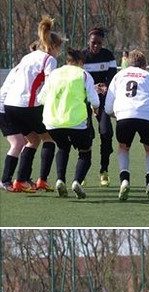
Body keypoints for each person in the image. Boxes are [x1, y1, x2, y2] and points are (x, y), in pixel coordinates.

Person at [4, 16, 63, 193]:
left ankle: (20, 181)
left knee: (33, 139)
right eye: (59, 48)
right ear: (53, 46)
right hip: (27, 105)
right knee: (49, 138)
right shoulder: (49, 59)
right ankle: (41, 180)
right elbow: (50, 84)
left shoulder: (27, 57)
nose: (59, 52)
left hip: (10, 105)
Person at [37, 48, 100, 199]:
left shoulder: (54, 74)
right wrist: (94, 107)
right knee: (85, 152)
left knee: (63, 147)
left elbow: (41, 98)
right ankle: (76, 181)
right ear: (80, 62)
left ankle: (60, 180)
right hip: (76, 121)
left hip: (53, 122)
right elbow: (95, 100)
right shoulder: (83, 74)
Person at [104, 49, 149, 201]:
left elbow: (108, 107)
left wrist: (118, 114)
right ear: (145, 65)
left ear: (128, 63)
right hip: (148, 115)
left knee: (123, 148)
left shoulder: (119, 75)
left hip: (125, 115)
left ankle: (124, 180)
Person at [82, 27, 117, 187]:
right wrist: (92, 88)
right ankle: (81, 173)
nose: (96, 46)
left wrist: (105, 86)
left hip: (102, 100)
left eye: (99, 43)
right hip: (85, 100)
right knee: (86, 136)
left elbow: (113, 77)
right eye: (93, 42)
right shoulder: (82, 56)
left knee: (106, 133)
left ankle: (104, 170)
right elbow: (78, 79)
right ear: (88, 41)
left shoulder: (108, 55)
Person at [0, 64, 26, 192]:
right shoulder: (25, 69)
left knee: (27, 140)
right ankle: (5, 180)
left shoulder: (23, 67)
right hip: (4, 108)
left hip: (13, 108)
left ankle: (23, 178)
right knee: (17, 143)